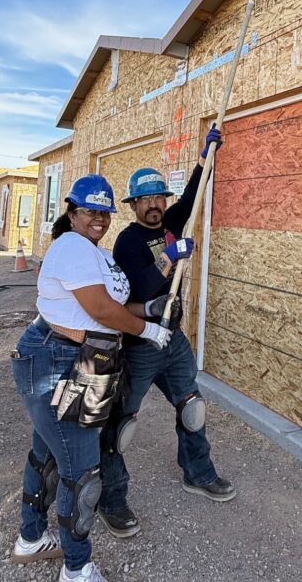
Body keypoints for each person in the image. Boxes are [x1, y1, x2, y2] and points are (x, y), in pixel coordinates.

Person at [10, 174, 171, 582]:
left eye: (104, 212)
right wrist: (147, 330)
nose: (98, 219)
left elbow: (113, 302)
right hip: (55, 357)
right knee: (82, 469)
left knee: (47, 452)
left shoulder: (94, 252)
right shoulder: (71, 247)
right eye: (89, 211)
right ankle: (77, 568)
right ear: (72, 212)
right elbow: (99, 308)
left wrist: (147, 309)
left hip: (89, 358)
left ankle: (30, 539)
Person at [98, 127, 235, 540]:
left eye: (160, 197)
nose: (155, 205)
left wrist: (204, 158)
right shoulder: (127, 241)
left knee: (191, 408)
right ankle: (112, 499)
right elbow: (138, 289)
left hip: (171, 338)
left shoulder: (172, 220)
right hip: (141, 342)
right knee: (121, 425)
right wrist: (167, 259)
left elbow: (192, 197)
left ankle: (199, 473)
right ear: (134, 204)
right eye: (146, 200)